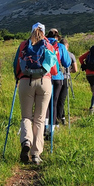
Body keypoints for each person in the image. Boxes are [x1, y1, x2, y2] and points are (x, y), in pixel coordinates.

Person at [12, 22, 57, 165]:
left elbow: (16, 66)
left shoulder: (23, 45)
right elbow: (54, 70)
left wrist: (17, 77)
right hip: (44, 82)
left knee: (26, 116)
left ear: (31, 31)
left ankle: (26, 141)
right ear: (44, 32)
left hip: (26, 82)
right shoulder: (49, 45)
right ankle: (36, 154)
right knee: (39, 118)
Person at [44, 29, 71, 130]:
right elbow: (67, 63)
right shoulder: (60, 46)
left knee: (45, 102)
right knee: (54, 102)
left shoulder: (43, 44)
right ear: (57, 37)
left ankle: (44, 126)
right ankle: (53, 126)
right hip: (57, 77)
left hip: (44, 76)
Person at [59, 37, 78, 124]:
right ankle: (61, 118)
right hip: (65, 78)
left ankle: (59, 117)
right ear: (67, 46)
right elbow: (75, 69)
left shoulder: (57, 52)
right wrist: (68, 71)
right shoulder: (71, 55)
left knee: (56, 99)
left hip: (56, 78)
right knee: (62, 100)